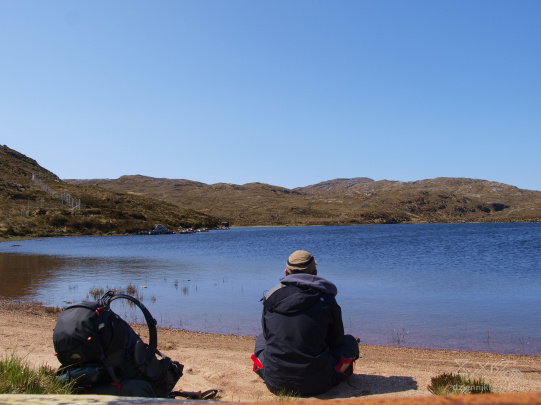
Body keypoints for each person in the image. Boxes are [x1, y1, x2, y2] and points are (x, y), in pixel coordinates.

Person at [251, 250, 359, 396]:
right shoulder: (326, 299)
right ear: (315, 273)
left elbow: (267, 335)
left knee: (261, 339)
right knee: (350, 342)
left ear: (286, 273)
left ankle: (265, 367)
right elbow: (337, 341)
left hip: (275, 382)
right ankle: (339, 369)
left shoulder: (271, 297)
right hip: (318, 384)